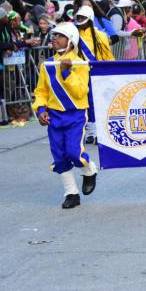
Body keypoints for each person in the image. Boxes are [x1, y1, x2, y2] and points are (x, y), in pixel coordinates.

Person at [32, 22, 98, 209]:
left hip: (75, 114)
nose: (54, 38)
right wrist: (41, 110)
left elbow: (80, 91)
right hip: (54, 116)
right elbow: (41, 91)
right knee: (59, 156)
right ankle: (71, 193)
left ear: (70, 41)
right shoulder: (47, 64)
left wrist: (67, 71)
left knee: (74, 152)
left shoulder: (79, 63)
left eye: (60, 36)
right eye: (54, 36)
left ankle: (89, 170)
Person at [74, 6, 115, 145]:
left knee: (97, 102)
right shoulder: (74, 35)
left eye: (83, 18)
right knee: (83, 103)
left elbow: (107, 55)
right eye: (78, 18)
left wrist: (111, 70)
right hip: (79, 73)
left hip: (97, 72)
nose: (80, 20)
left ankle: (98, 131)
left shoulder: (101, 36)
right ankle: (89, 131)